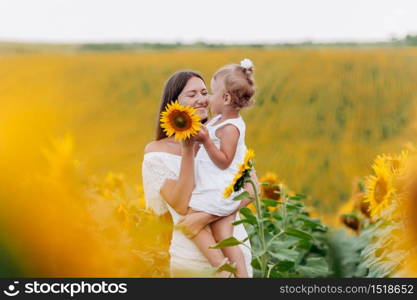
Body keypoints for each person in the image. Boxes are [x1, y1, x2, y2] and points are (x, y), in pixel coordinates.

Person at [141, 70, 257, 277]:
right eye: (192, 95)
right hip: (191, 263)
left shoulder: (223, 136)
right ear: (173, 104)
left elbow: (252, 188)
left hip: (236, 248)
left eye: (204, 93)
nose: (202, 100)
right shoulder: (156, 153)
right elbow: (181, 205)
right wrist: (187, 150)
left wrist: (206, 216)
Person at [186, 59, 256, 278]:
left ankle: (225, 270)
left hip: (220, 189)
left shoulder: (231, 128)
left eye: (211, 92)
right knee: (223, 234)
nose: (207, 98)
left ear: (225, 98)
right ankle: (235, 273)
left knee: (191, 224)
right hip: (219, 186)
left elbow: (224, 160)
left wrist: (206, 142)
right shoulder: (218, 120)